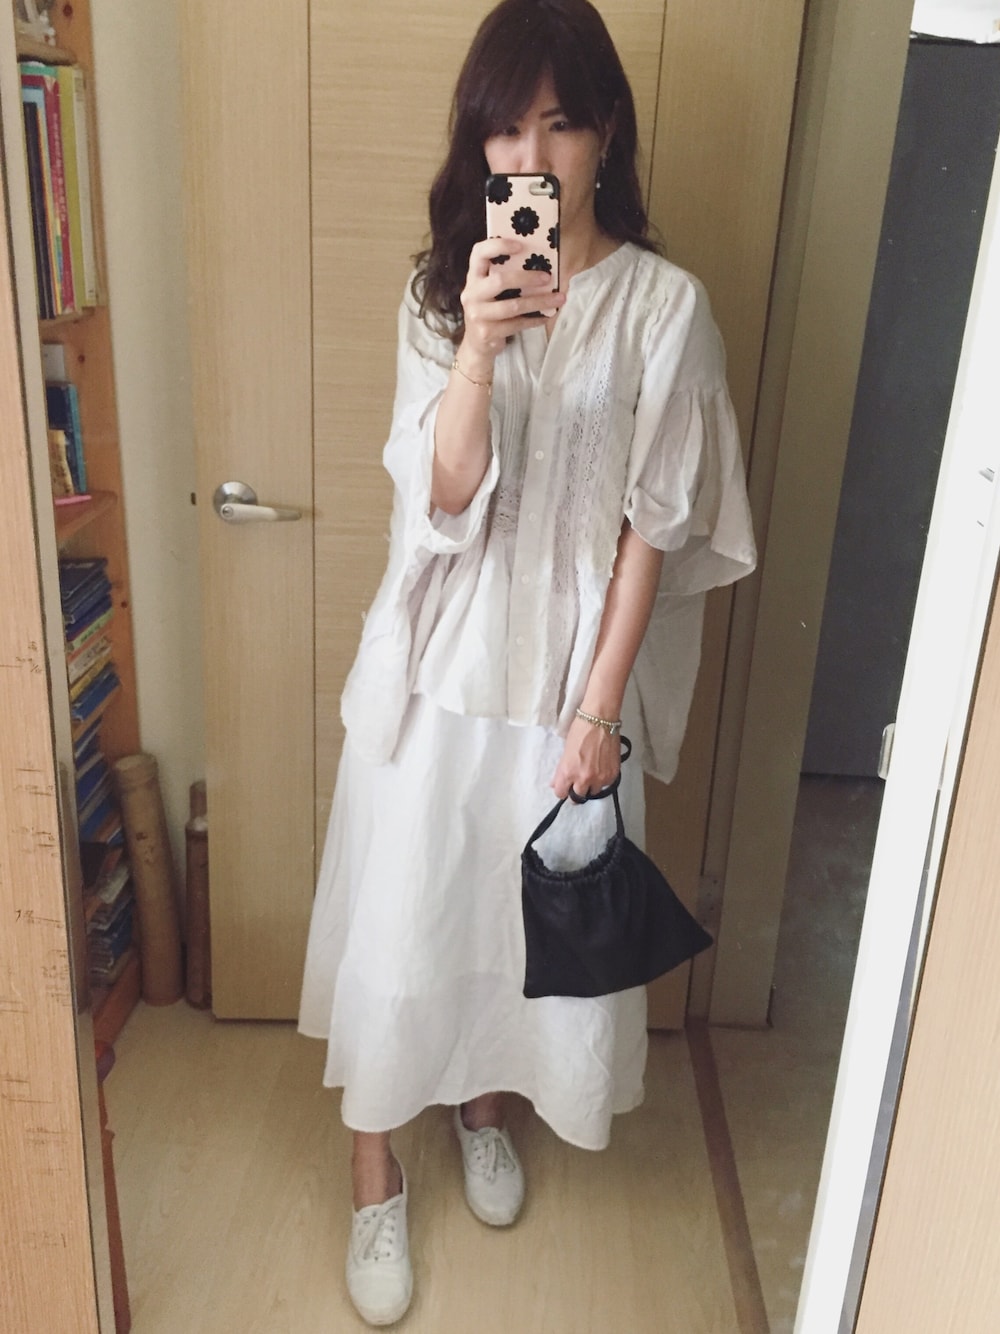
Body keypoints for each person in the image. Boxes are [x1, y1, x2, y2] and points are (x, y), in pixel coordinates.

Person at [297, 0, 756, 1324]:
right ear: (478, 142)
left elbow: (656, 524)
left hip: (564, 687)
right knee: (408, 918)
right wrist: (481, 349)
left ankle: (483, 1109)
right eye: (505, 128)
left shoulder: (667, 308)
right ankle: (375, 1173)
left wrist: (601, 710)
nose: (531, 156)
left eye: (559, 123)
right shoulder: (439, 295)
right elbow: (438, 498)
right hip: (441, 671)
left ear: (606, 129)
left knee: (513, 929)